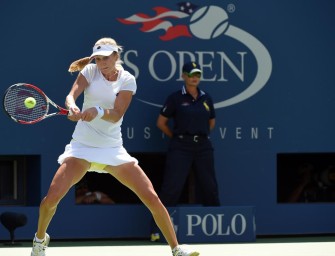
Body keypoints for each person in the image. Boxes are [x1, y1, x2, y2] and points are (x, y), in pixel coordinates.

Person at [30, 37, 199, 256]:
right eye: (98, 59)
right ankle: (40, 240)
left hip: (112, 149)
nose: (101, 63)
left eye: (105, 58)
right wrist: (72, 107)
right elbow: (71, 96)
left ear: (116, 56)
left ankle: (176, 249)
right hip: (82, 147)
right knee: (50, 200)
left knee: (151, 197)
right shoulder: (90, 71)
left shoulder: (128, 79)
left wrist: (97, 111)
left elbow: (117, 113)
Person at [150, 61, 220, 241]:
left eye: (197, 74)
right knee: (171, 188)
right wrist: (178, 136)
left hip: (203, 147)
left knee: (209, 186)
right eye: (191, 75)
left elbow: (211, 123)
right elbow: (161, 123)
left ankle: (217, 229)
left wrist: (198, 135)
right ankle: (157, 231)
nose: (194, 78)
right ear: (183, 76)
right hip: (180, 146)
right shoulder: (175, 98)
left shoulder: (206, 98)